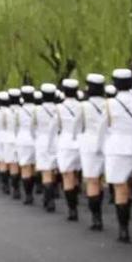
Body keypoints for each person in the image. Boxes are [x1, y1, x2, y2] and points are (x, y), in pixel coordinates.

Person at [99, 69, 132, 242]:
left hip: (116, 148)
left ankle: (123, 229)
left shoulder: (109, 104)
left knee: (120, 189)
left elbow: (103, 129)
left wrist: (102, 148)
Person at [76, 74, 107, 231]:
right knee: (101, 179)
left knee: (92, 181)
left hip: (89, 144)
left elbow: (77, 125)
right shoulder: (109, 104)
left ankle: (96, 218)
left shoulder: (83, 106)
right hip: (108, 143)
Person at [56, 79, 83, 221]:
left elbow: (54, 127)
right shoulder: (83, 106)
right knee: (80, 173)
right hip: (81, 142)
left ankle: (72, 210)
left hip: (65, 142)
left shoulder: (59, 108)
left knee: (67, 176)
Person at [35, 83, 60, 212]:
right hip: (56, 140)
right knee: (54, 169)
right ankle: (53, 194)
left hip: (42, 141)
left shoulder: (37, 110)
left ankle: (48, 200)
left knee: (46, 171)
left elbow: (33, 127)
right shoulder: (59, 109)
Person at [16, 85, 37, 205]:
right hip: (35, 140)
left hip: (23, 139)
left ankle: (28, 195)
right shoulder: (38, 109)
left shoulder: (19, 111)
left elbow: (16, 127)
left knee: (25, 167)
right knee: (34, 166)